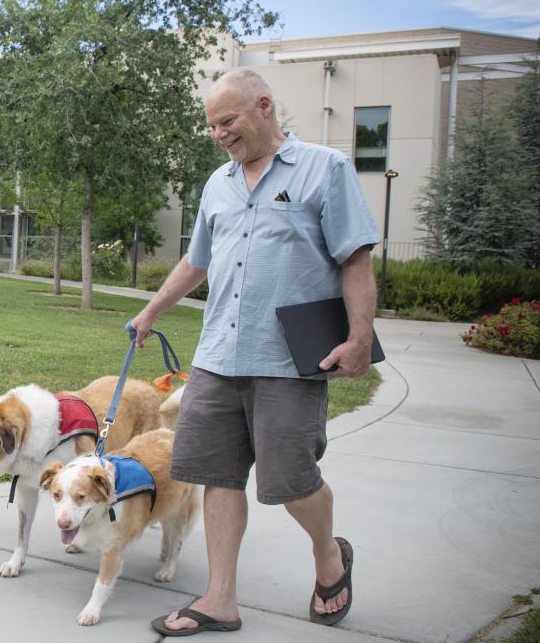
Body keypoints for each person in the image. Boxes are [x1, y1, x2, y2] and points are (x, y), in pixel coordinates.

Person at [130, 69, 380, 634]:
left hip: (290, 360)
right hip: (218, 355)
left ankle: (329, 555)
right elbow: (197, 261)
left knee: (291, 481)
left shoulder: (325, 169)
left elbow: (354, 259)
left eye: (228, 121)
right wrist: (152, 311)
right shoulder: (218, 183)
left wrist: (359, 337)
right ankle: (220, 598)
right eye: (212, 126)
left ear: (264, 107)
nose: (219, 134)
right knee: (216, 474)